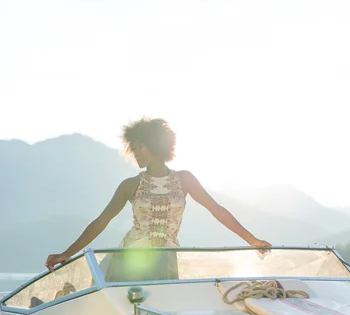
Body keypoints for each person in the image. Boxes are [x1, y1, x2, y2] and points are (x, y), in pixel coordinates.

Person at [45, 118, 271, 281]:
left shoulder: (185, 179)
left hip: (166, 260)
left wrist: (252, 240)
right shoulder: (129, 185)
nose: (136, 152)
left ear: (156, 144)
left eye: (140, 146)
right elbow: (100, 223)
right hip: (129, 260)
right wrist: (67, 253)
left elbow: (216, 209)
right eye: (133, 148)